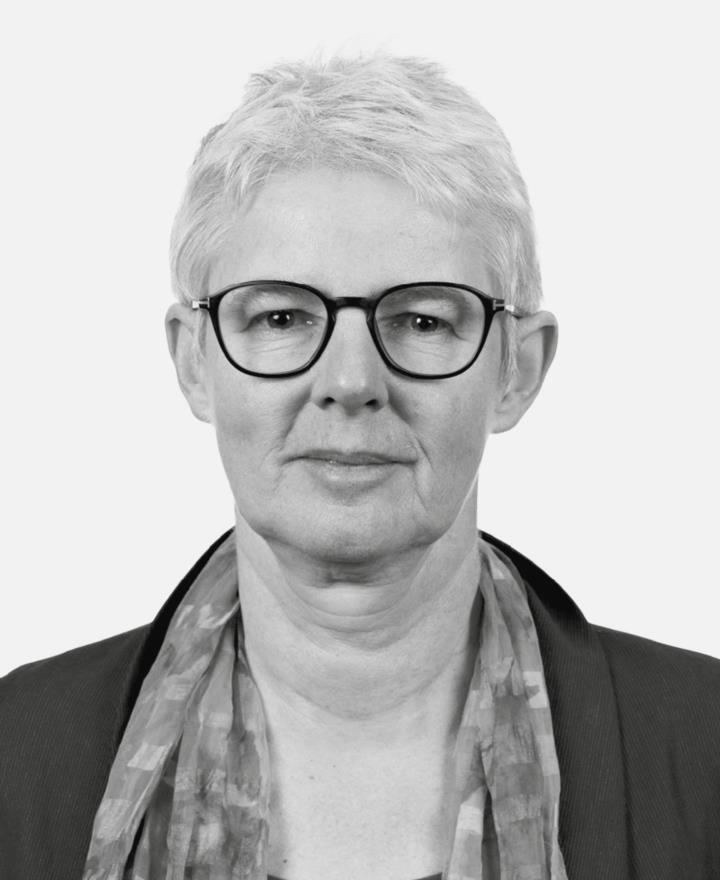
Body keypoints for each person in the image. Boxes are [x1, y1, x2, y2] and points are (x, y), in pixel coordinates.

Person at [0, 52, 718, 880]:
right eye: (280, 316)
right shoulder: (19, 756)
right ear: (195, 360)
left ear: (517, 370)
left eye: (421, 320)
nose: (349, 381)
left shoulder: (705, 752)